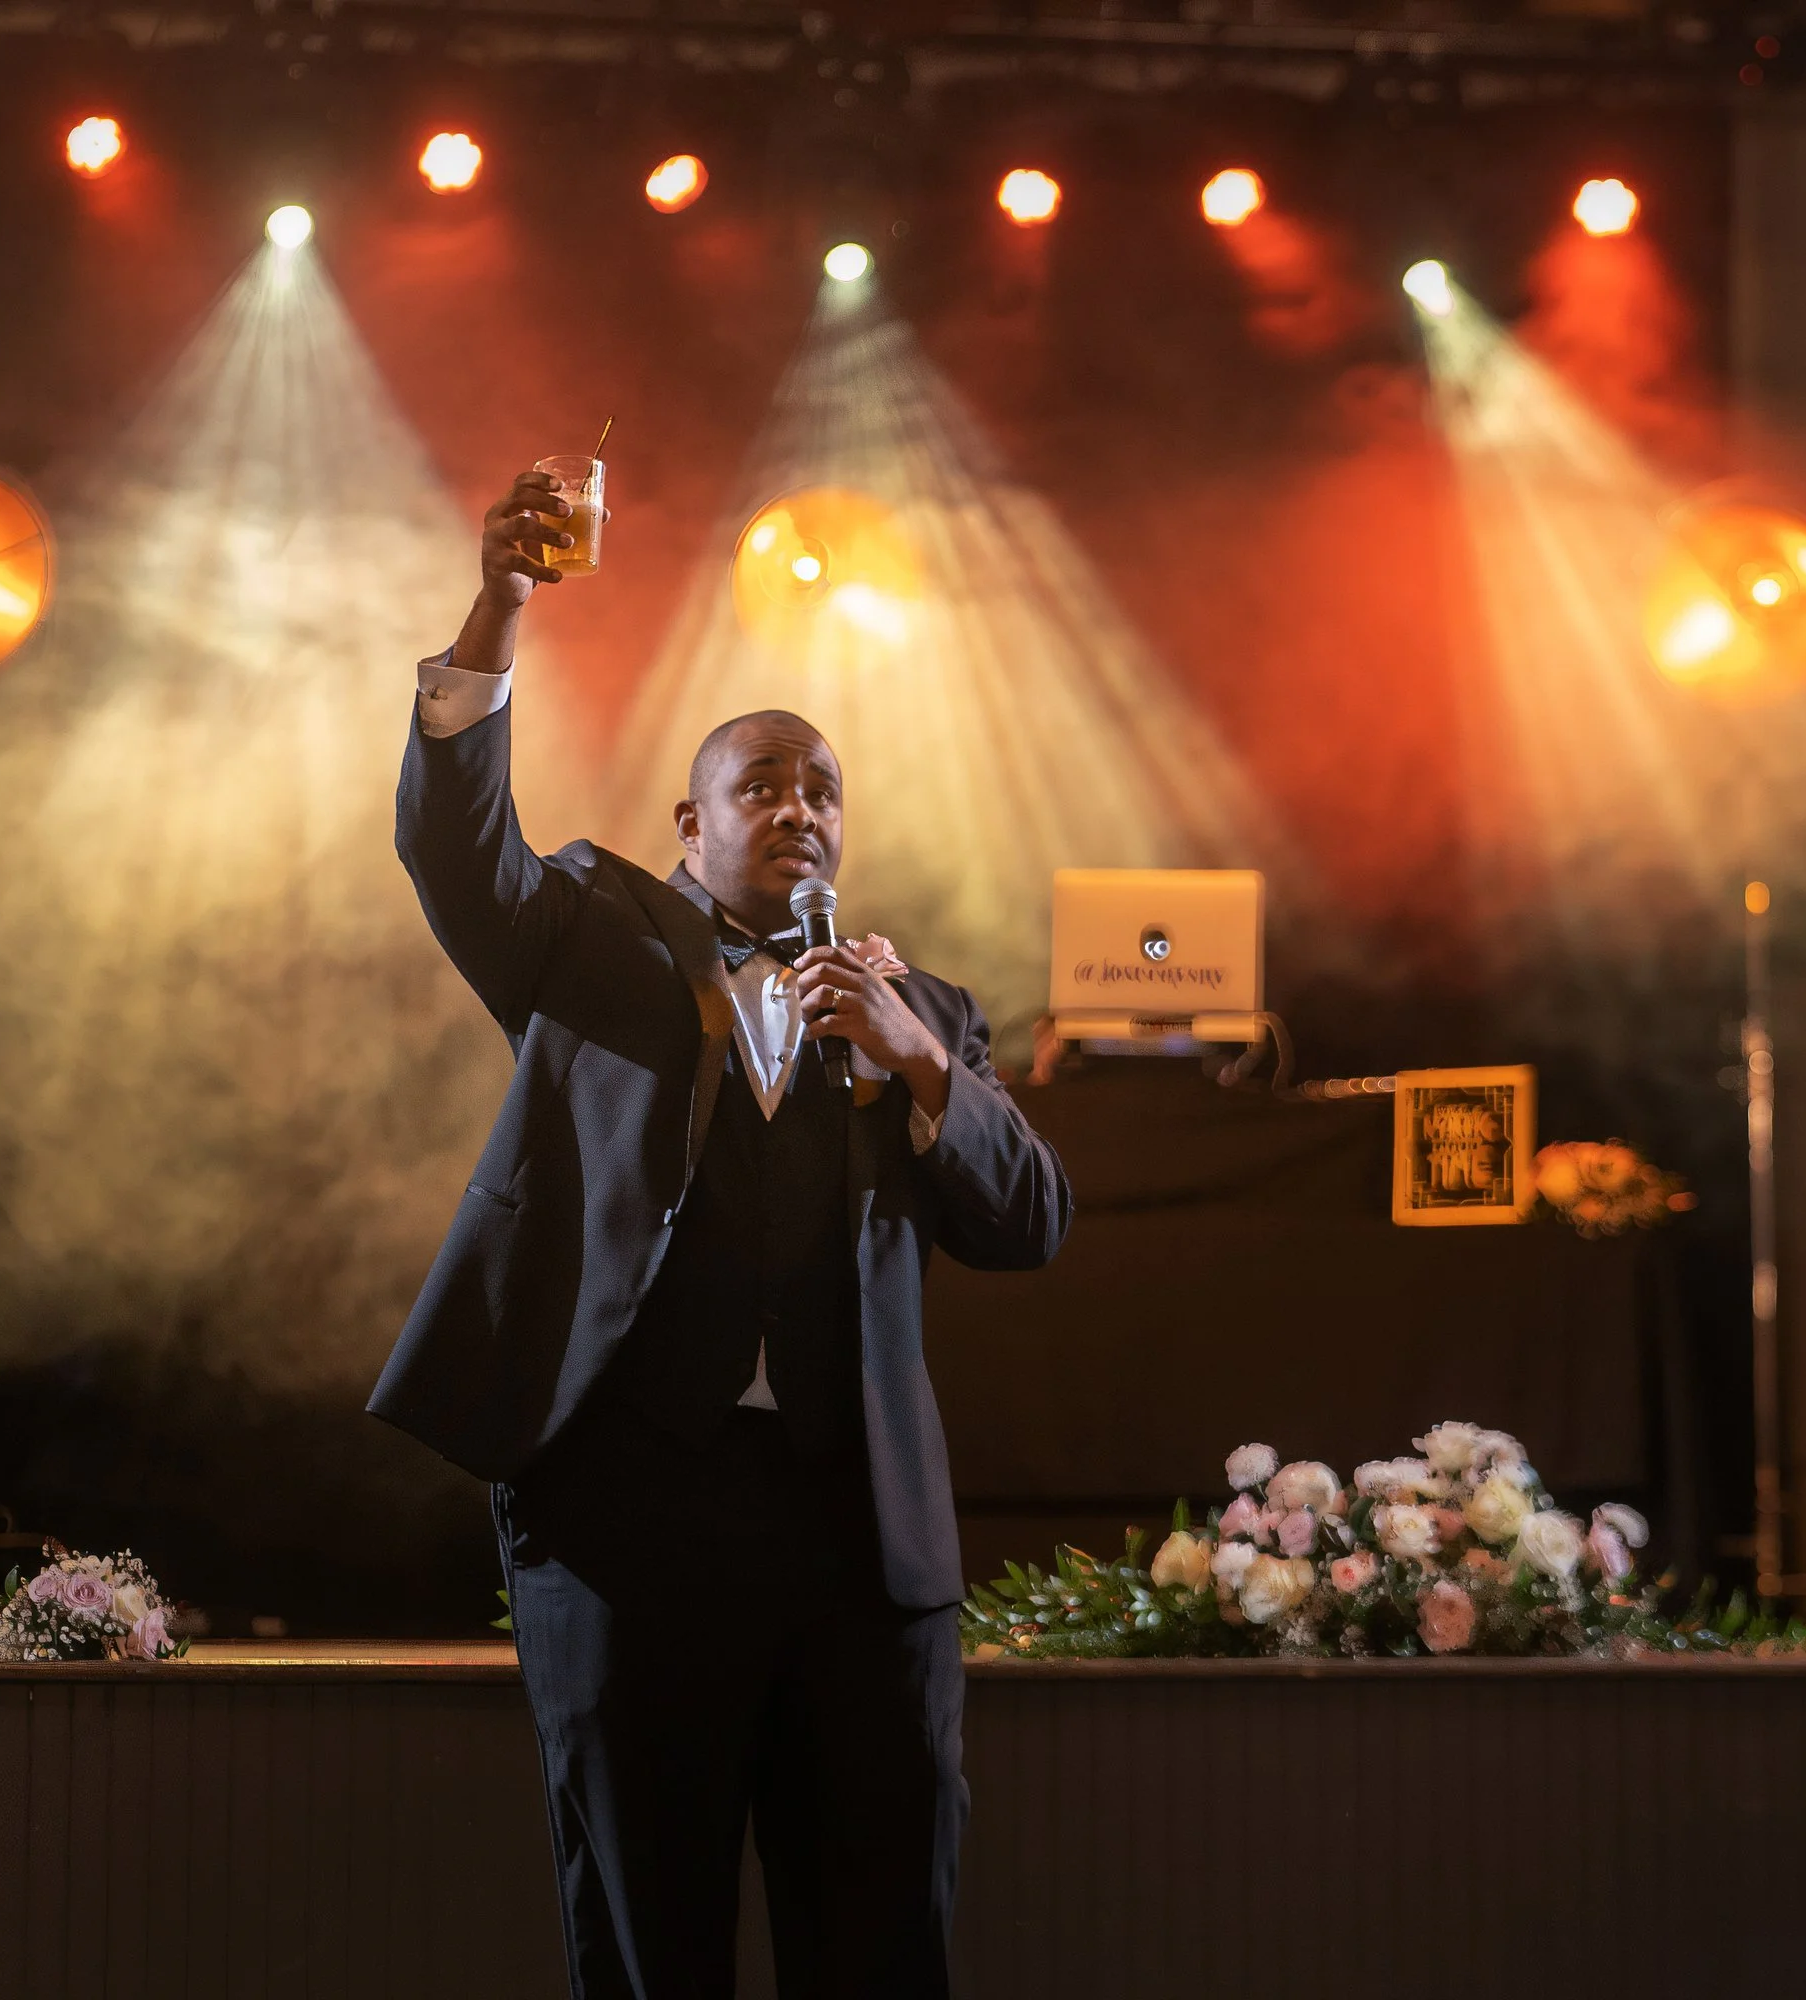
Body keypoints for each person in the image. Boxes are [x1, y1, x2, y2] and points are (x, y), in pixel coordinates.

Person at [369, 467, 1073, 1998]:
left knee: (883, 1945)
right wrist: (503, 602)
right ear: (693, 820)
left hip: (858, 1541)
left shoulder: (919, 1012)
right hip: (632, 1524)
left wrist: (923, 1062)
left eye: (822, 788)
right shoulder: (587, 939)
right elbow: (453, 843)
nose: (799, 809)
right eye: (765, 784)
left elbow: (1028, 1228)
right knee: (647, 1941)